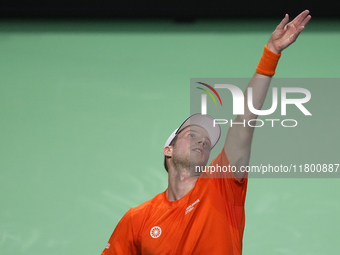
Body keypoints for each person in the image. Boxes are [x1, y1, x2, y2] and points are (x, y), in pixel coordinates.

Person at [101, 10, 311, 255]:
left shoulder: (222, 185)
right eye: (191, 135)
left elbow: (244, 120)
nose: (202, 141)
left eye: (207, 142)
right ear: (168, 150)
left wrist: (271, 54)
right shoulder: (137, 219)